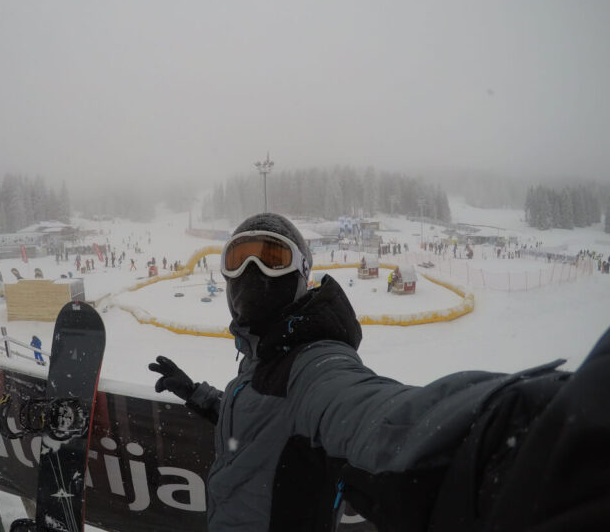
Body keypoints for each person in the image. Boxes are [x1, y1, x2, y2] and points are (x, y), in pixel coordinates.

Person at [149, 212, 610, 532]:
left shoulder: (313, 363)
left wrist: (511, 440)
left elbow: (373, 414)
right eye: (239, 258)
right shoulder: (263, 359)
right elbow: (263, 423)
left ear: (301, 275)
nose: (253, 270)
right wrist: (202, 397)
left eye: (273, 258)